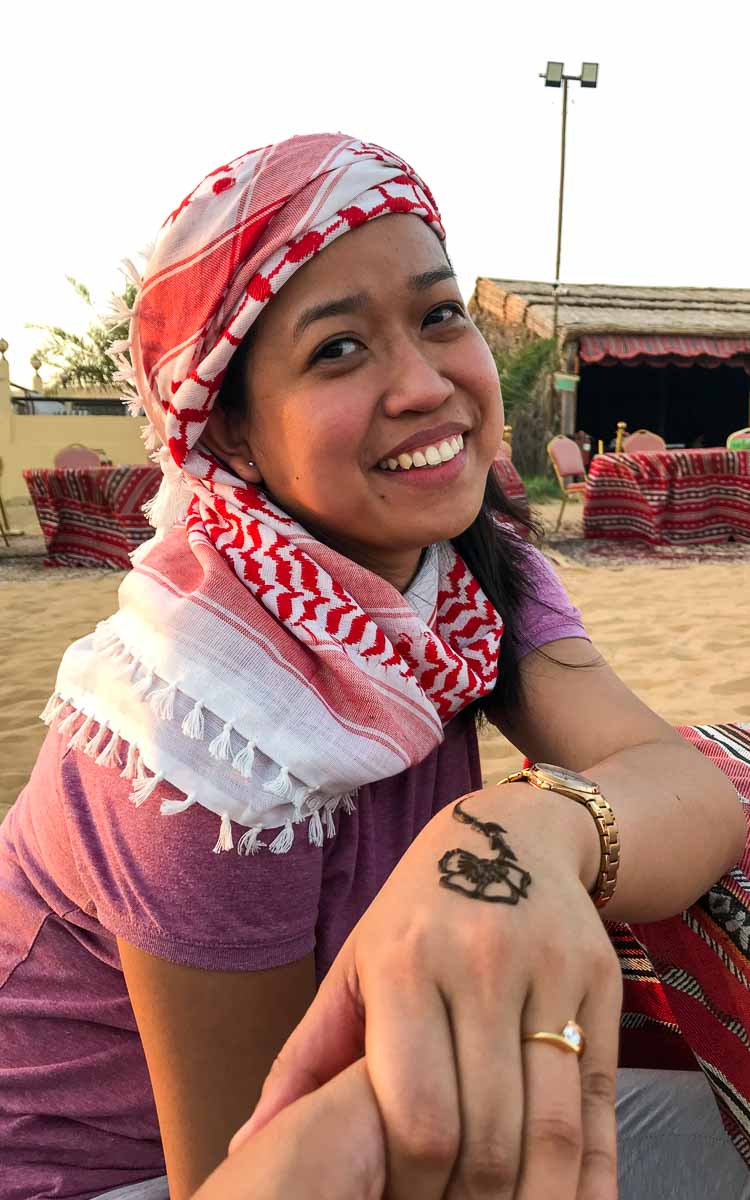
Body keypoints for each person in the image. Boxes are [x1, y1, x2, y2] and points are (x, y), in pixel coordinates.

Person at [0, 133, 747, 1200]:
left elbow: (687, 789)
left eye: (439, 315)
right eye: (338, 351)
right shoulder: (198, 734)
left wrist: (521, 830)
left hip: (360, 1091)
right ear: (238, 439)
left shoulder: (471, 574)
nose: (423, 384)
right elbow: (258, 1162)